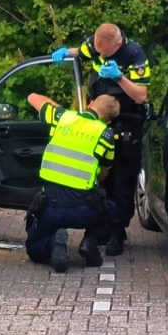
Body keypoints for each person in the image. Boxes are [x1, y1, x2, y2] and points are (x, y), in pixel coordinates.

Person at [51, 23, 151, 257]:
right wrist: (67, 52)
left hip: (126, 125)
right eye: (98, 51)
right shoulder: (96, 45)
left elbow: (141, 94)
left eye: (104, 52)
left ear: (117, 43)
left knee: (123, 183)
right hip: (99, 123)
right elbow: (82, 51)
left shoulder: (134, 55)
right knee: (99, 179)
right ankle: (100, 227)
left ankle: (118, 231)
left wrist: (119, 78)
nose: (100, 55)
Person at [24, 93, 121, 272]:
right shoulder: (106, 134)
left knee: (32, 247)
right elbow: (103, 176)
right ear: (109, 121)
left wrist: (57, 107)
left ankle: (52, 244)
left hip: (49, 207)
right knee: (111, 209)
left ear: (90, 103)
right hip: (83, 210)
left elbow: (32, 97)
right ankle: (89, 243)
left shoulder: (63, 118)